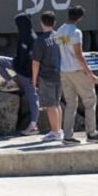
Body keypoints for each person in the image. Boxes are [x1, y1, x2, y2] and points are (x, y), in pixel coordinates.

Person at [57, 5, 98, 145]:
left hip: (64, 71)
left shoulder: (60, 30)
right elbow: (79, 55)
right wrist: (90, 74)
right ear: (80, 18)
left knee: (70, 104)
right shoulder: (76, 32)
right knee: (90, 101)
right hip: (77, 70)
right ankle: (91, 133)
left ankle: (67, 136)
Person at [0, 14, 40, 136]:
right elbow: (20, 56)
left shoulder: (32, 39)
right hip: (17, 65)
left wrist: (33, 77)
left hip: (26, 73)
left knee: (33, 97)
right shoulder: (24, 34)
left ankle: (33, 125)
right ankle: (11, 82)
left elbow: (33, 60)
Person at [32, 11, 64, 143]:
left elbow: (36, 62)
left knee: (51, 106)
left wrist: (34, 79)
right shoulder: (61, 37)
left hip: (46, 75)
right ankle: (59, 130)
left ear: (41, 23)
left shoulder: (39, 41)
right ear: (54, 23)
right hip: (60, 73)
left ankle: (55, 132)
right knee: (57, 103)